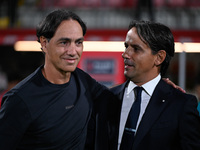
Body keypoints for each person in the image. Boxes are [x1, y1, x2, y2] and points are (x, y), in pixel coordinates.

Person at [0, 9, 114, 150]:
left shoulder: (85, 82)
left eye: (78, 43)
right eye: (64, 42)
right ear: (44, 43)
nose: (73, 51)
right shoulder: (19, 99)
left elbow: (117, 98)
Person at [86, 20, 200, 150]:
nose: (125, 54)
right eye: (126, 46)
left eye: (136, 49)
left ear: (159, 57)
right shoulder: (105, 99)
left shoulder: (181, 104)